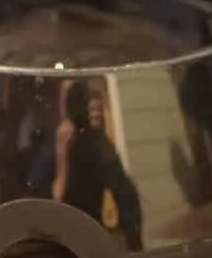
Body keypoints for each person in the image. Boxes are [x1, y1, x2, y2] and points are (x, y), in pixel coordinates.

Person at [52, 82, 143, 249]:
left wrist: (131, 242)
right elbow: (53, 196)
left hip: (86, 239)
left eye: (98, 114)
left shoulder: (98, 146)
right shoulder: (59, 146)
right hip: (64, 239)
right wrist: (61, 154)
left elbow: (126, 195)